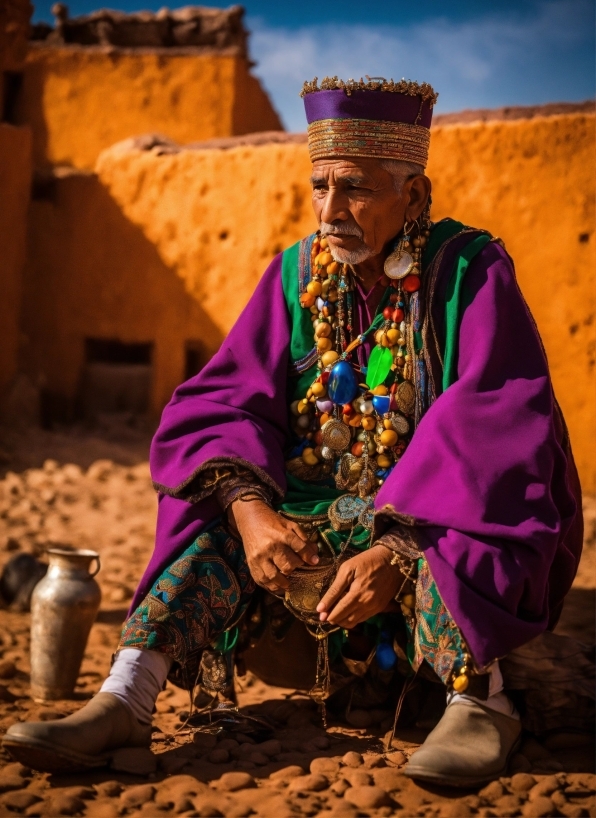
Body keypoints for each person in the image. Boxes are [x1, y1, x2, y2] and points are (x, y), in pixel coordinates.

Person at [4, 75, 582, 787]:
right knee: (203, 492)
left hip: (421, 528)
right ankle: (126, 694)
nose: (331, 211)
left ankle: (479, 698)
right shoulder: (297, 274)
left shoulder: (469, 270)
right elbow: (220, 402)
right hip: (313, 528)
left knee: (467, 507)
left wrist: (398, 548)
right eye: (320, 187)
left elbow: (498, 418)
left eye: (357, 190)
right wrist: (252, 518)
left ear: (415, 195)